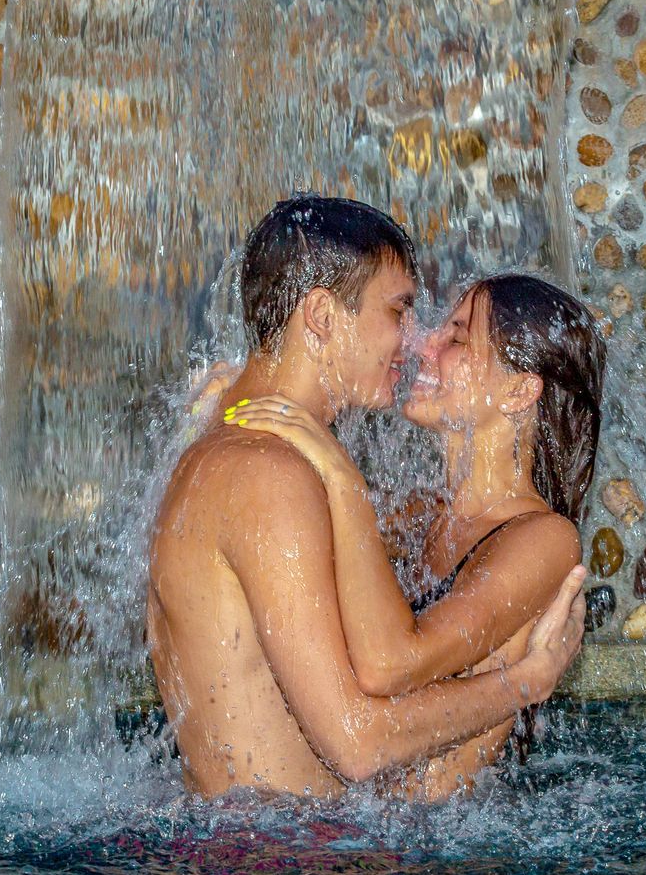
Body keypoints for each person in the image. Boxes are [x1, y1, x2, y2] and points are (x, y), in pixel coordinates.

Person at [147, 197, 587, 799]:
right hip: (293, 873)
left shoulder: (228, 454)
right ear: (324, 316)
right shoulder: (270, 475)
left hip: (252, 860)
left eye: (450, 332)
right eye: (399, 310)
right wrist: (528, 681)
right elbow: (358, 742)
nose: (415, 342)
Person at [225, 272, 605, 772]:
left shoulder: (545, 539)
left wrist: (341, 476)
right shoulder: (427, 514)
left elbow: (390, 665)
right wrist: (233, 402)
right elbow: (289, 533)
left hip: (432, 842)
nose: (424, 343)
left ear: (518, 390)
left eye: (457, 338)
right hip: (378, 826)